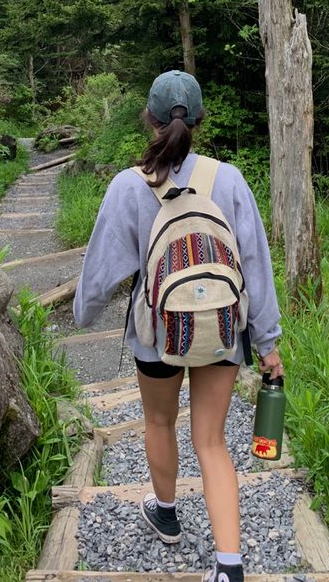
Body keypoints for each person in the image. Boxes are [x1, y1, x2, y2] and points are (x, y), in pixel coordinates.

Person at [73, 70, 284, 582]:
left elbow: (103, 268)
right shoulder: (228, 179)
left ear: (148, 118)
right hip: (224, 332)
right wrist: (268, 342)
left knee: (159, 422)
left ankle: (165, 512)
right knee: (210, 441)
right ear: (200, 120)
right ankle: (229, 567)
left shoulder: (130, 184)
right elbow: (254, 263)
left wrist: (83, 315)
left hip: (156, 337)